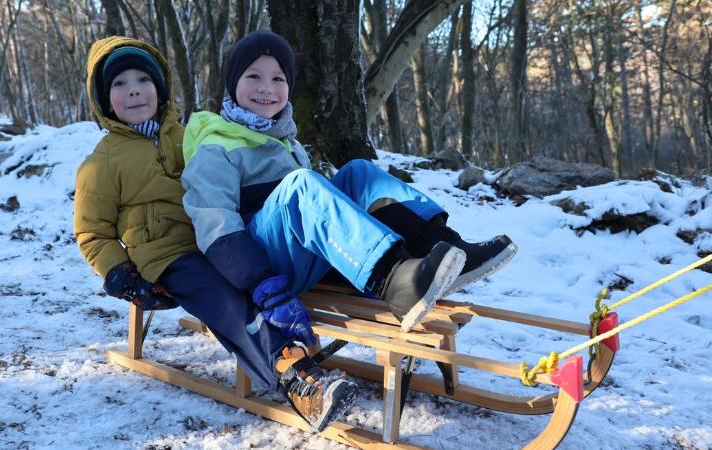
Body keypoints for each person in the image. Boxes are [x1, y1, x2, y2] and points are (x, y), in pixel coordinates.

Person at [73, 36, 357, 432]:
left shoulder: (190, 134)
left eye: (143, 79)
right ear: (104, 100)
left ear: (161, 88)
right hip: (167, 256)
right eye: (119, 84)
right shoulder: (100, 163)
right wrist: (118, 272)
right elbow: (92, 232)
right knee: (224, 299)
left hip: (221, 237)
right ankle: (294, 375)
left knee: (253, 274)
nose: (134, 89)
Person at [181, 31, 517, 337]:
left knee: (358, 172)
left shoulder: (286, 141)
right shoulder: (215, 147)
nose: (266, 88)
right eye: (253, 76)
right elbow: (216, 227)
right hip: (262, 274)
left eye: (278, 78)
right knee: (301, 186)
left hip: (300, 256)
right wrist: (262, 285)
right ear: (232, 84)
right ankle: (394, 279)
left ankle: (441, 246)